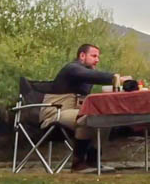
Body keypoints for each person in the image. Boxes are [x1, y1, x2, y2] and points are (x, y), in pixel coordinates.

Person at [42, 44, 131, 173]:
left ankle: (93, 161)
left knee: (106, 119)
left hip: (74, 111)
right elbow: (88, 75)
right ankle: (78, 163)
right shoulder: (72, 68)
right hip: (56, 112)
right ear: (82, 56)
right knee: (87, 117)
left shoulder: (87, 75)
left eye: (98, 57)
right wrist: (117, 79)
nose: (97, 60)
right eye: (94, 56)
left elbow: (90, 76)